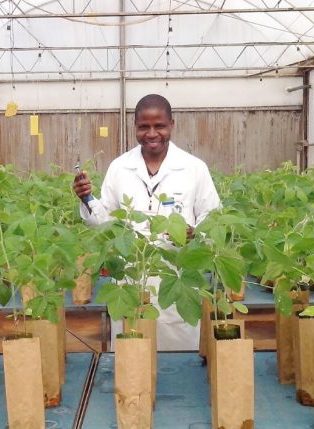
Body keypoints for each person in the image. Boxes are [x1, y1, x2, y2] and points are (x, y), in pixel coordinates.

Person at [73, 94, 221, 351]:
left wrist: (196, 233)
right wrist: (87, 199)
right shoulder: (120, 168)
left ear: (171, 124)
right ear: (135, 127)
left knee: (177, 360)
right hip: (131, 280)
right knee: (133, 356)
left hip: (176, 276)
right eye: (144, 127)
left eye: (159, 126)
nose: (152, 133)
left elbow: (212, 216)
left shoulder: (194, 168)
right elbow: (105, 224)